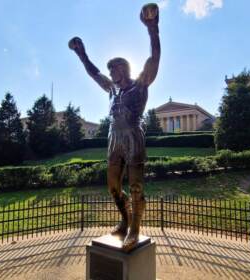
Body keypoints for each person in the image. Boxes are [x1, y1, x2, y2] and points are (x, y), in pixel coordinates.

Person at [69, 3, 160, 251]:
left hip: (133, 136)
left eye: (115, 68)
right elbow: (93, 73)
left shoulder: (140, 85)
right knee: (113, 187)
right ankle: (125, 218)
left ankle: (135, 229)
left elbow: (153, 59)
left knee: (136, 185)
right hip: (113, 138)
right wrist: (81, 54)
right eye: (110, 69)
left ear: (125, 69)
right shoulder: (112, 89)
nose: (111, 72)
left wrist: (153, 28)